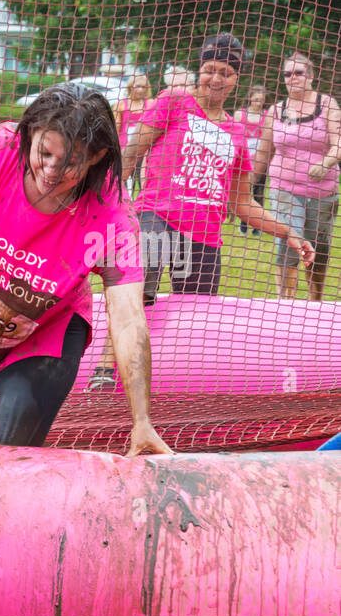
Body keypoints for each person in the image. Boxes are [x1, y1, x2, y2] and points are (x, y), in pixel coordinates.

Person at [0, 83, 171, 455]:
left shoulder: (112, 213)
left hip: (44, 337)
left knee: (6, 460)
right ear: (29, 134)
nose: (52, 172)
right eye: (44, 152)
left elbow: (128, 318)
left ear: (96, 157)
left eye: (70, 162)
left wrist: (142, 421)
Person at [89, 34, 315, 389]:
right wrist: (105, 201)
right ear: (199, 70)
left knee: (195, 318)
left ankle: (176, 383)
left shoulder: (237, 132)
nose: (216, 78)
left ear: (235, 79)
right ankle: (104, 369)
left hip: (204, 237)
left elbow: (241, 203)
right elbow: (131, 153)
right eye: (209, 69)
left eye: (225, 72)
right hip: (156, 216)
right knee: (138, 288)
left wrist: (288, 232)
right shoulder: (174, 102)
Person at [253, 52, 341, 299]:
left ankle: (315, 300)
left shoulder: (327, 104)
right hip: (284, 188)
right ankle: (285, 301)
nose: (293, 78)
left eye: (298, 73)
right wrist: (243, 184)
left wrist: (327, 162)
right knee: (289, 242)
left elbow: (339, 143)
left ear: (311, 76)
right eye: (287, 74)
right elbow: (263, 153)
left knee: (319, 247)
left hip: (322, 191)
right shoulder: (275, 110)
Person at [237, 84, 269, 235]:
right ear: (250, 98)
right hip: (244, 159)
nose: (258, 103)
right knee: (244, 192)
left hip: (260, 160)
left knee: (259, 191)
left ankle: (258, 226)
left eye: (261, 100)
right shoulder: (240, 114)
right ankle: (244, 222)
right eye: (255, 99)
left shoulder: (267, 115)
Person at [114, 74, 154, 195]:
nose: (141, 90)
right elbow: (116, 129)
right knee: (122, 181)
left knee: (143, 180)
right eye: (138, 86)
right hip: (125, 149)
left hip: (145, 149)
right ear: (131, 87)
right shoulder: (121, 105)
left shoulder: (151, 104)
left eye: (144, 87)